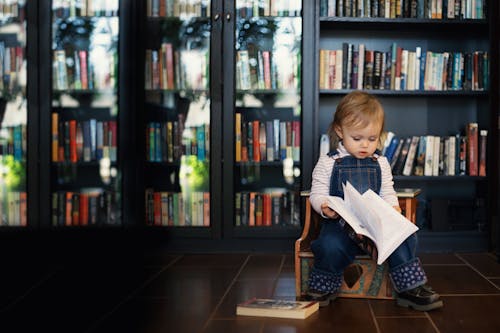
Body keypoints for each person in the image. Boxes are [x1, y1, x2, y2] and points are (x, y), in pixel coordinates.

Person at [306, 91, 443, 311]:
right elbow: (317, 192)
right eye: (357, 138)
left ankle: (409, 288)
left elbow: (387, 191)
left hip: (375, 224)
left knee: (404, 238)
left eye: (372, 139)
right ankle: (324, 285)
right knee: (329, 246)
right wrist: (323, 206)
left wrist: (393, 207)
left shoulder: (380, 162)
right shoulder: (329, 162)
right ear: (340, 131)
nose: (365, 146)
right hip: (341, 224)